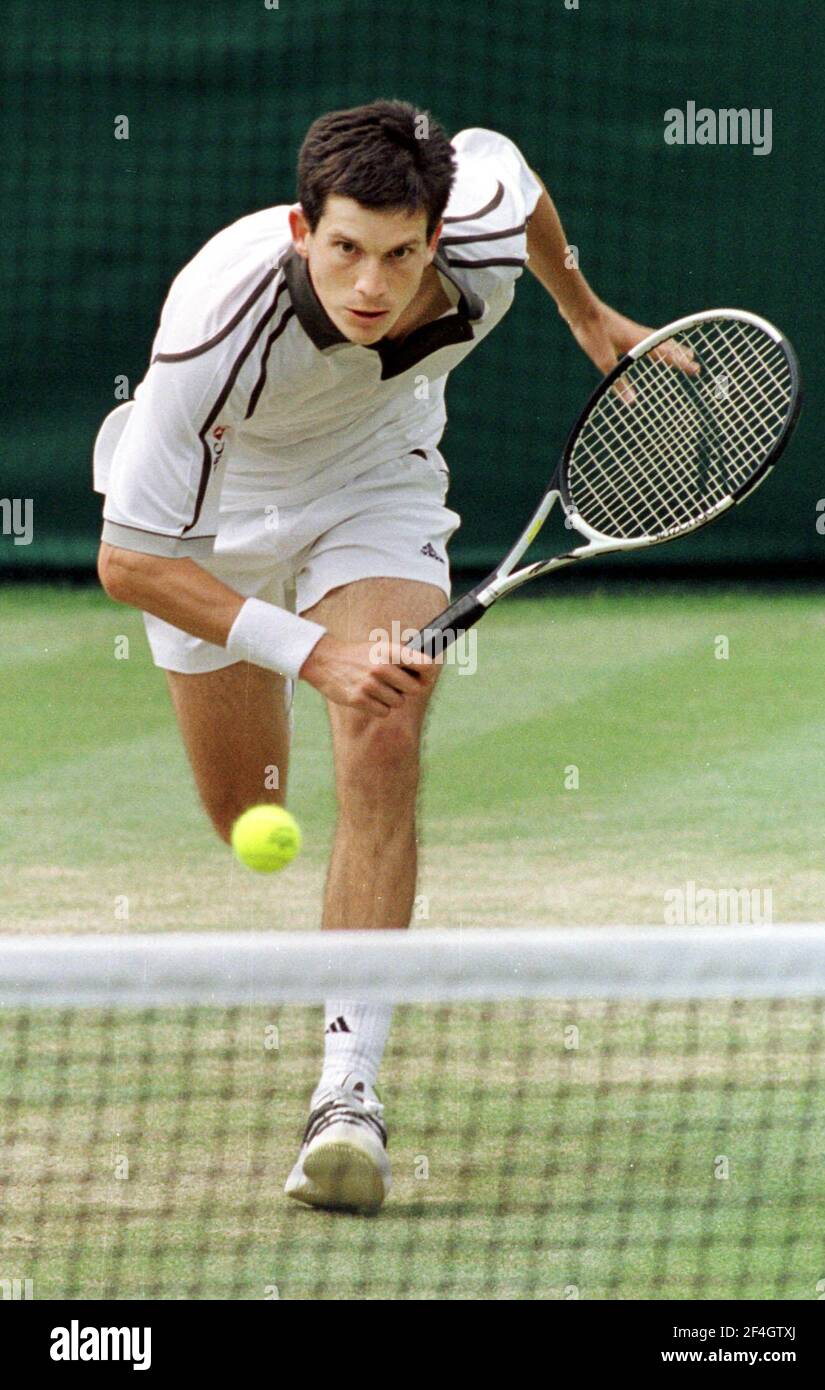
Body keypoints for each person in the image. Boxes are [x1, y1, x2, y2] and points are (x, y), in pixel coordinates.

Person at [94, 99, 657, 1213]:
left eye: (402, 255)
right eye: (346, 248)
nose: (371, 284)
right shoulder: (216, 324)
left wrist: (586, 315)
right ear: (303, 232)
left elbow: (523, 182)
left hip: (376, 480)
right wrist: (310, 653)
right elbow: (129, 561)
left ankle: (346, 1095)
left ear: (438, 239)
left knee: (383, 725)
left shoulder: (480, 215)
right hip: (213, 524)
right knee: (242, 803)